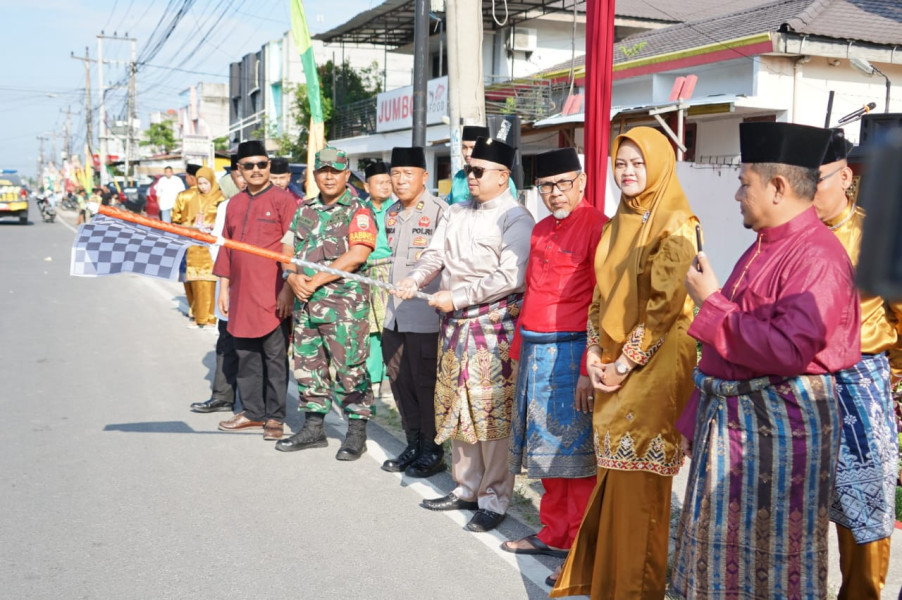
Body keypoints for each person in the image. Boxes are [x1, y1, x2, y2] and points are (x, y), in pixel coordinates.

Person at [671, 122, 861, 600]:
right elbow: (726, 350)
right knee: (718, 562)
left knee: (770, 569)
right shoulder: (766, 246)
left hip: (777, 440)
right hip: (735, 430)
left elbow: (790, 349)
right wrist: (695, 420)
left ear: (778, 187)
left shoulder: (818, 256)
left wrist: (710, 301)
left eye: (744, 183)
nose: (737, 195)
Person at [551, 127, 699, 599]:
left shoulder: (677, 222)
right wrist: (595, 352)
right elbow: (600, 296)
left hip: (655, 372)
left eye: (637, 162)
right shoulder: (618, 222)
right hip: (614, 366)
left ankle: (637, 591)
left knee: (641, 494)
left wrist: (623, 364)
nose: (628, 172)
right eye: (621, 164)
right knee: (613, 483)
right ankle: (608, 587)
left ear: (658, 164)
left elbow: (665, 307)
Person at [395, 137, 534, 532]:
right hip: (455, 325)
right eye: (468, 169)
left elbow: (511, 276)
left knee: (490, 414)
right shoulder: (455, 211)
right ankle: (465, 487)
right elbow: (435, 255)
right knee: (456, 407)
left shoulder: (516, 218)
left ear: (503, 176)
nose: (469, 176)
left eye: (478, 171)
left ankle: (494, 497)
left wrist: (456, 296)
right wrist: (414, 278)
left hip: (494, 329)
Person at [502, 148, 603, 563]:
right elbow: (532, 291)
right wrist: (515, 351)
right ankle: (554, 532)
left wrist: (586, 368)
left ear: (580, 181)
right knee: (545, 454)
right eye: (547, 186)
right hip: (534, 351)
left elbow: (603, 301)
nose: (556, 193)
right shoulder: (540, 229)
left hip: (572, 351)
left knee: (573, 455)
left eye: (564, 183)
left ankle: (579, 544)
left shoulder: (600, 228)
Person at [813, 129, 900, 600]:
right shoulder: (794, 238)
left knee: (865, 516)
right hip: (804, 386)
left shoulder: (872, 233)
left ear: (845, 177)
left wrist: (896, 380)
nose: (809, 193)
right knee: (800, 510)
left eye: (818, 180)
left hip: (861, 384)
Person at [275, 146, 378, 461]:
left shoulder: (358, 210)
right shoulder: (305, 208)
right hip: (306, 306)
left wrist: (314, 280)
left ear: (346, 174)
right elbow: (285, 247)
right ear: (315, 174)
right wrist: (290, 279)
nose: (329, 177)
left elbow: (358, 254)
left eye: (336, 171)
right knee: (308, 367)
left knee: (351, 370)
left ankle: (356, 434)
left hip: (342, 307)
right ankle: (313, 428)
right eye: (323, 171)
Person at [214, 141, 296, 441]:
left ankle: (275, 417)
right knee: (246, 355)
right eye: (249, 165)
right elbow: (226, 248)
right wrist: (223, 290)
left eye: (262, 164)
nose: (257, 170)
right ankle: (252, 412)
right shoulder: (233, 204)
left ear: (269, 165)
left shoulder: (284, 201)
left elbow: (293, 249)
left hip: (274, 293)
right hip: (241, 295)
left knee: (274, 357)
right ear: (240, 170)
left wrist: (288, 289)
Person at [379, 147, 448, 477]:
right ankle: (413, 442)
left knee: (425, 384)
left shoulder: (439, 213)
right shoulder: (389, 214)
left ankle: (433, 450)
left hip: (424, 317)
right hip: (393, 315)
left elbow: (439, 261)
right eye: (395, 173)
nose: (401, 180)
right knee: (399, 380)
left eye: (408, 173)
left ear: (424, 176)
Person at [190, 179, 239, 414]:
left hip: (256, 286)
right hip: (227, 282)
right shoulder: (227, 206)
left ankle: (257, 407)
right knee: (226, 340)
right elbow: (219, 247)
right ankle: (223, 395)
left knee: (256, 346)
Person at [172, 166, 223, 328]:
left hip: (212, 246)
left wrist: (212, 226)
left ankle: (212, 317)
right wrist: (192, 227)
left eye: (205, 183)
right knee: (196, 281)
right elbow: (178, 220)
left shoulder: (220, 198)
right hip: (194, 246)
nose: (202, 187)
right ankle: (199, 317)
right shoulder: (191, 197)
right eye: (200, 183)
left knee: (212, 281)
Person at [362, 161, 393, 392]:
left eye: (388, 182)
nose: (385, 186)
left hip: (392, 271)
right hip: (365, 272)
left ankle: (391, 375)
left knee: (391, 327)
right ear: (367, 186)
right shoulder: (359, 211)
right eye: (380, 182)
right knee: (370, 329)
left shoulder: (398, 209)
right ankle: (373, 380)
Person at [446, 126, 517, 205]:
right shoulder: (458, 177)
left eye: (473, 148)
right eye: (464, 147)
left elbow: (511, 209)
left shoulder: (501, 179)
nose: (468, 153)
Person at [173, 164, 202, 320]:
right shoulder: (212, 195)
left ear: (192, 177)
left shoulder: (183, 196)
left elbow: (175, 218)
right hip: (205, 241)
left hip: (186, 239)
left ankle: (194, 309)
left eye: (186, 176)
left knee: (187, 274)